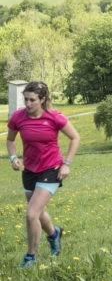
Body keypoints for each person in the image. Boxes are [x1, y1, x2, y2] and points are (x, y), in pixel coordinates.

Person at [6, 81, 80, 269]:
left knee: (31, 213)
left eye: (32, 100)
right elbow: (10, 140)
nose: (28, 104)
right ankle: (54, 234)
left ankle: (30, 257)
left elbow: (75, 137)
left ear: (43, 99)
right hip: (30, 170)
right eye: (26, 100)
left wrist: (67, 164)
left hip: (51, 169)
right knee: (37, 213)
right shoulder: (18, 118)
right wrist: (13, 157)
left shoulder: (54, 117)